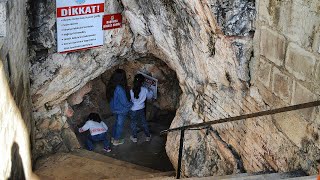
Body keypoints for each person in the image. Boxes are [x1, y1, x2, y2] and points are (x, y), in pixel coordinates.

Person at [106, 69, 133, 146]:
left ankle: (113, 137)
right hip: (121, 110)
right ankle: (116, 140)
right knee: (120, 125)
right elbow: (124, 102)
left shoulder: (111, 85)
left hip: (114, 109)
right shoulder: (119, 88)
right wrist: (131, 104)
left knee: (117, 123)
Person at [129, 74, 153, 143]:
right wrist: (150, 90)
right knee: (143, 122)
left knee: (133, 123)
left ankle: (134, 137)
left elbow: (130, 100)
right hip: (141, 108)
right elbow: (149, 97)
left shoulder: (131, 90)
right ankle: (148, 136)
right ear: (142, 82)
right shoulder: (145, 89)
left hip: (133, 109)